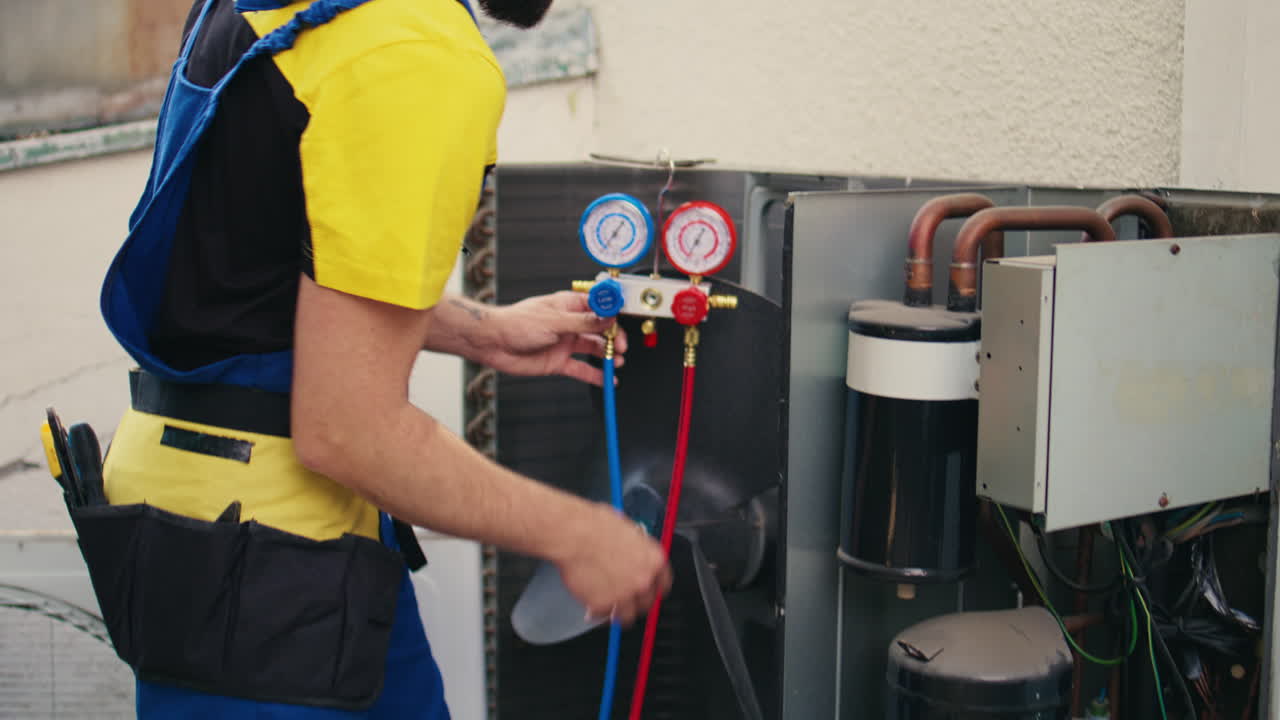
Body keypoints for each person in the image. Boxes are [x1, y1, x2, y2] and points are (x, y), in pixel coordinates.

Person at [90, 0, 672, 717]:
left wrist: (479, 331)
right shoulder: (413, 48)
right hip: (274, 566)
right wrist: (580, 535)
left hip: (180, 513)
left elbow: (259, 271)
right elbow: (350, 432)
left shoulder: (284, 9)